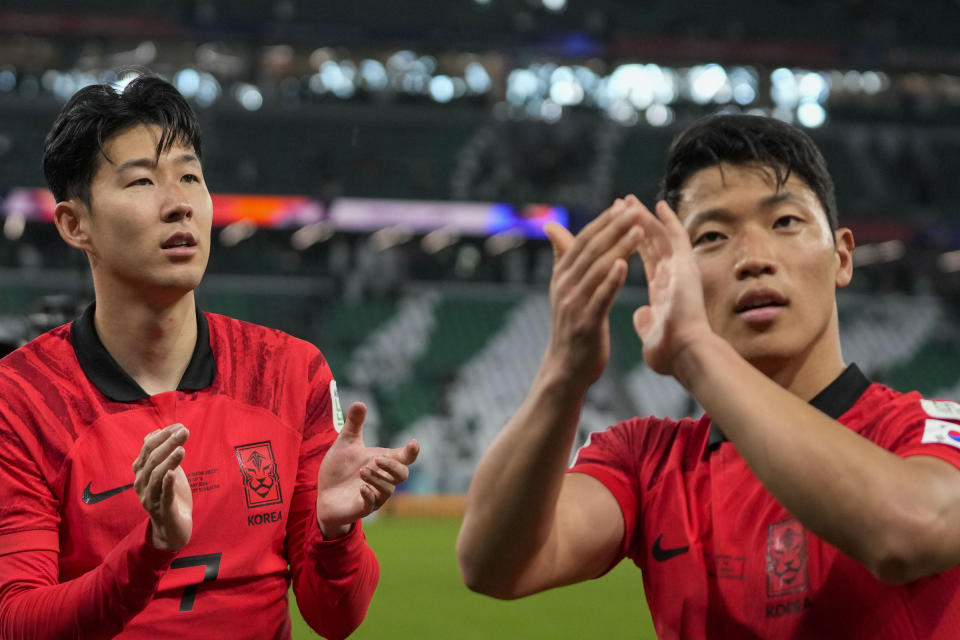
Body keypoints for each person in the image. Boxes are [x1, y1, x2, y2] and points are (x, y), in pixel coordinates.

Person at [456, 114, 960, 638]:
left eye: (785, 222)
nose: (753, 259)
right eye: (713, 235)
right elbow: (494, 564)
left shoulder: (926, 432)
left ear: (842, 256)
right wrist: (563, 371)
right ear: (677, 273)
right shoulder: (646, 460)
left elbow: (911, 531)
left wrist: (694, 352)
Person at [0, 74, 419, 639]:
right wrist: (150, 550)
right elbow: (17, 622)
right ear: (76, 225)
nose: (179, 205)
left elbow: (335, 618)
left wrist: (335, 532)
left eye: (191, 177)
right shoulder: (22, 397)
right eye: (143, 181)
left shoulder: (291, 372)